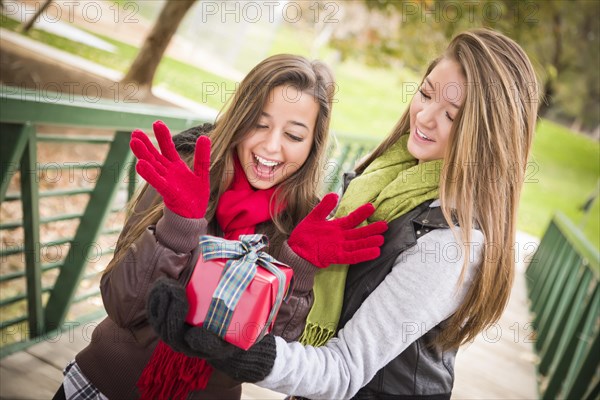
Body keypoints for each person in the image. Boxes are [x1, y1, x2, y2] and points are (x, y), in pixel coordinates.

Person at [148, 28, 540, 400]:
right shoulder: (385, 178)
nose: (424, 116)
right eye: (425, 93)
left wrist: (235, 346)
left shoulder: (451, 243)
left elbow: (344, 370)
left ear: (486, 135)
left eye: (452, 115)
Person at [53, 54, 387, 400]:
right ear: (240, 118)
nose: (271, 147)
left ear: (312, 146)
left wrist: (299, 269)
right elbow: (121, 304)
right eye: (259, 124)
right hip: (104, 384)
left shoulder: (301, 226)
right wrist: (178, 227)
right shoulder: (182, 175)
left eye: (293, 135)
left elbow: (270, 354)